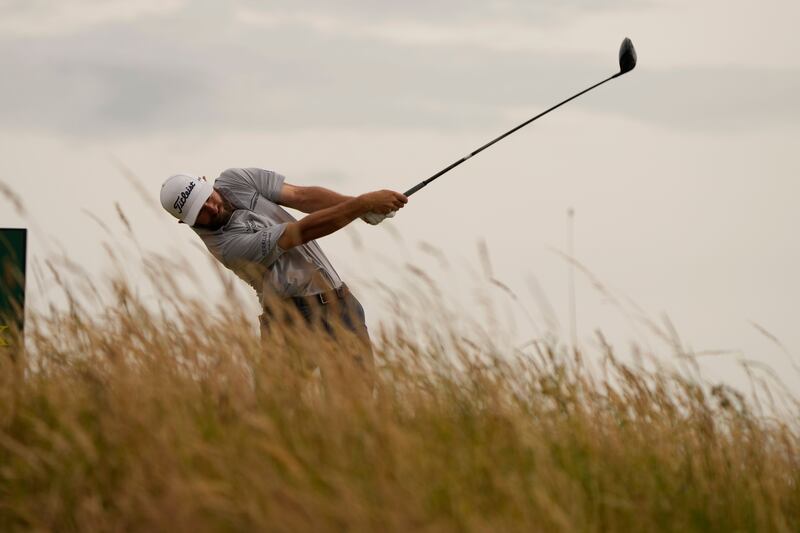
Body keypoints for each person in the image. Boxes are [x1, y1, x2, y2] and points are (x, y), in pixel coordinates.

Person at [159, 168, 408, 372]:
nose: (210, 209)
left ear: (205, 181)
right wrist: (362, 204)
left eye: (206, 199)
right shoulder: (226, 247)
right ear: (185, 221)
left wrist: (364, 210)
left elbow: (301, 196)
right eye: (199, 212)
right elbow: (300, 232)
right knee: (280, 416)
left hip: (340, 306)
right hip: (289, 323)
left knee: (357, 409)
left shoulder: (235, 180)